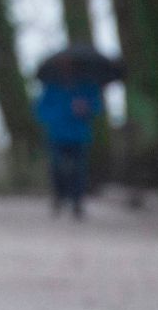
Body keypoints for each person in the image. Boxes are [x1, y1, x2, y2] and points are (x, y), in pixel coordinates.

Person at [36, 76, 106, 218]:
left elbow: (97, 108)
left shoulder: (87, 87)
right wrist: (58, 116)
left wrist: (86, 109)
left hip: (79, 135)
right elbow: (40, 110)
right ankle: (59, 196)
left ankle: (77, 202)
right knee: (57, 167)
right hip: (57, 135)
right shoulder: (52, 88)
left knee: (79, 170)